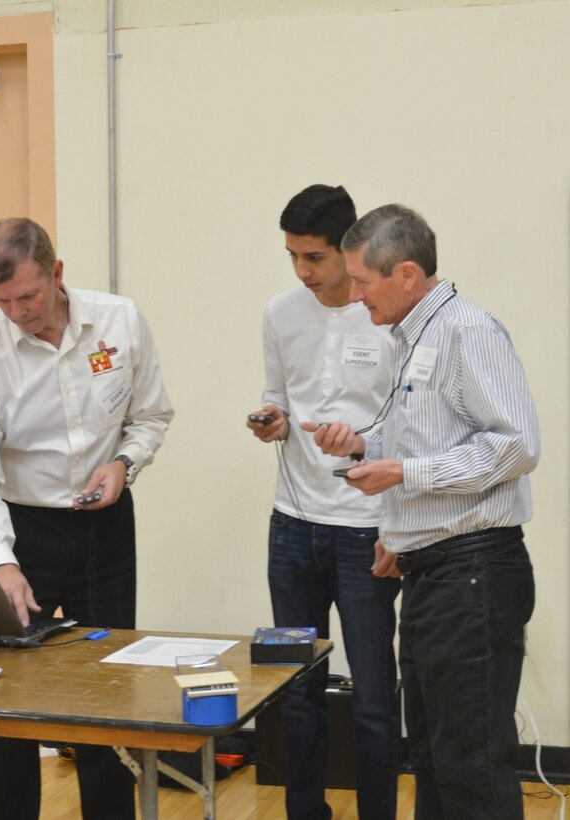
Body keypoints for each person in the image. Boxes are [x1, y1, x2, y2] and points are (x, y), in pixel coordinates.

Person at [309, 203, 539, 819]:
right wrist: (367, 452)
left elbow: (515, 446)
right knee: (434, 759)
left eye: (362, 280)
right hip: (431, 571)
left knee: (471, 765)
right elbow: (425, 443)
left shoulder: (468, 331)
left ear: (406, 274)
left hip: (474, 575)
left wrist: (403, 475)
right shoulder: (414, 337)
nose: (353, 295)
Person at [0, 217, 174, 820]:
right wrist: (0, 562)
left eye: (28, 296)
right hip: (24, 533)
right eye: (1, 301)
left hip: (105, 527)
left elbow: (151, 416)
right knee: (6, 702)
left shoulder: (120, 321)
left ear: (57, 273)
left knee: (106, 690)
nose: (17, 312)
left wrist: (124, 463)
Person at [247, 184, 401, 820]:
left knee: (371, 695)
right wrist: (273, 421)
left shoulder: (389, 316)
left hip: (365, 529)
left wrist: (366, 443)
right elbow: (278, 394)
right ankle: (304, 812)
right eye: (292, 257)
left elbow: (413, 425)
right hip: (292, 526)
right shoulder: (281, 312)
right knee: (294, 685)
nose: (302, 272)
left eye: (314, 257)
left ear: (348, 249)